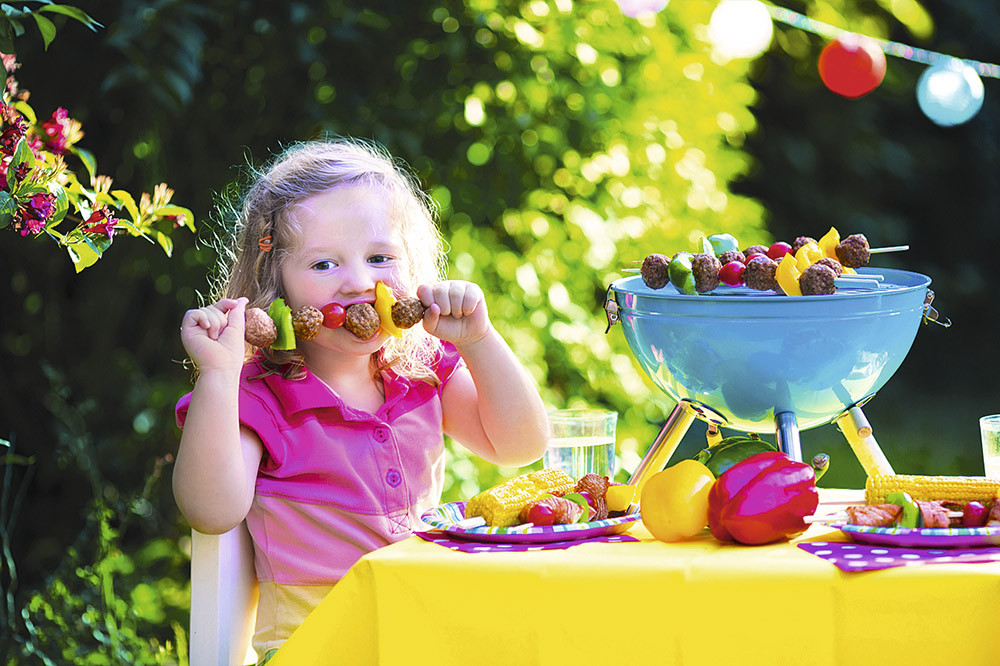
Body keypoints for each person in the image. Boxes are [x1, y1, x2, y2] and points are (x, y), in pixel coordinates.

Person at [173, 138, 548, 662]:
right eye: (324, 264)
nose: (358, 283)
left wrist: (480, 340)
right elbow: (210, 511)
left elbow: (520, 445)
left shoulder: (423, 368)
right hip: (314, 648)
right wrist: (217, 374)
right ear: (276, 283)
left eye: (379, 257)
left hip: (419, 639)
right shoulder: (258, 396)